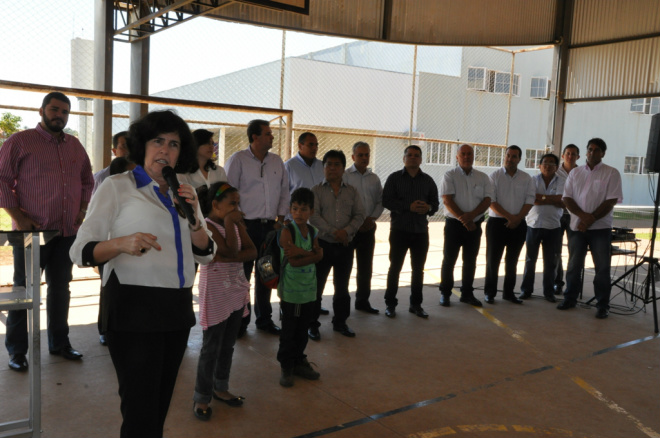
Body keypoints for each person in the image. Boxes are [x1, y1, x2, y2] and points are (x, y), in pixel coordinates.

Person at [69, 110, 215, 438]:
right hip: (133, 308)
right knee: (139, 408)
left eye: (174, 144)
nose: (165, 150)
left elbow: (206, 254)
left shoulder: (186, 191)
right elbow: (79, 251)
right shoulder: (117, 187)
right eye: (157, 141)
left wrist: (193, 218)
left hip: (176, 310)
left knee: (159, 405)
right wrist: (121, 243)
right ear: (142, 146)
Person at [0, 91, 94, 372]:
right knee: (24, 291)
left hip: (67, 232)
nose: (60, 116)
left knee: (60, 288)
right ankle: (17, 350)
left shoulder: (75, 145)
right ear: (41, 111)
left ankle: (59, 343)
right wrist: (17, 216)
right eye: (54, 110)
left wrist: (83, 209)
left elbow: (87, 180)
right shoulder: (20, 141)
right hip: (33, 233)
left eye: (65, 112)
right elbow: (2, 179)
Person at [192, 182, 256, 421]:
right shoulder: (207, 226)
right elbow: (227, 251)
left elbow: (252, 252)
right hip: (216, 292)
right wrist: (231, 223)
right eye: (232, 203)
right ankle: (201, 397)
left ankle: (220, 386)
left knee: (228, 344)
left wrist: (230, 254)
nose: (237, 208)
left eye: (237, 203)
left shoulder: (236, 224)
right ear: (216, 205)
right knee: (211, 347)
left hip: (236, 289)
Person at [225, 119, 290, 337]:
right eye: (268, 133)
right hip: (246, 228)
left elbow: (284, 191)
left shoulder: (277, 161)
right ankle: (240, 323)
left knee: (266, 274)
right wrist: (238, 222)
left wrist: (280, 220)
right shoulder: (238, 160)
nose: (272, 137)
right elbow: (229, 193)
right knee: (241, 277)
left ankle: (264, 320)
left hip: (270, 230)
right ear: (254, 137)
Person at [558, 138, 622, 319]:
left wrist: (590, 219)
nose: (592, 153)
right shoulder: (575, 173)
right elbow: (567, 198)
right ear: (586, 152)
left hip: (600, 229)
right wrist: (583, 217)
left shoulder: (611, 173)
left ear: (603, 153)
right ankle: (570, 298)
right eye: (590, 149)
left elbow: (610, 201)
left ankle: (602, 305)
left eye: (597, 150)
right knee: (573, 266)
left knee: (602, 268)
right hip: (577, 228)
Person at [309, 150, 365, 340]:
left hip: (345, 246)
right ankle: (312, 325)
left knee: (342, 287)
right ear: (323, 167)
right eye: (328, 164)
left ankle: (340, 322)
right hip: (322, 246)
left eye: (336, 165)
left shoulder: (352, 191)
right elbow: (313, 216)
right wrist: (335, 232)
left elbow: (359, 215)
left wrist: (347, 231)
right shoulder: (315, 191)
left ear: (343, 169)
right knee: (317, 287)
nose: (332, 168)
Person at [382, 145, 439, 318]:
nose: (413, 158)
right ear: (404, 158)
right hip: (399, 230)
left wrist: (428, 207)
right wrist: (408, 207)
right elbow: (386, 201)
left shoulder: (428, 181)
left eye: (416, 155)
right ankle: (390, 304)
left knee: (418, 270)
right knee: (395, 268)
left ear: (421, 159)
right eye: (409, 155)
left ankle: (416, 304)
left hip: (420, 232)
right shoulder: (394, 178)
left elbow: (435, 205)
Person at [277, 188, 323, 387]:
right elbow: (293, 262)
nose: (299, 214)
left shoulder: (313, 232)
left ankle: (298, 360)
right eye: (295, 209)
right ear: (290, 210)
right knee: (289, 330)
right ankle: (286, 365)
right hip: (292, 292)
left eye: (303, 210)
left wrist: (301, 252)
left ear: (311, 211)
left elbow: (320, 256)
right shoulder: (287, 231)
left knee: (303, 329)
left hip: (308, 290)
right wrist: (311, 255)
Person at [438, 144, 493, 308]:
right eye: (463, 154)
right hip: (454, 225)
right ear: (457, 156)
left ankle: (467, 294)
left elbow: (487, 200)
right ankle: (445, 294)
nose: (467, 157)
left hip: (474, 225)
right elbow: (447, 200)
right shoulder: (450, 175)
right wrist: (465, 220)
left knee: (470, 260)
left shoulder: (483, 177)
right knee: (449, 260)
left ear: (473, 156)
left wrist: (471, 218)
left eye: (469, 154)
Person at [283, 131, 330, 316]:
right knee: (298, 264)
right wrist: (287, 219)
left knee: (317, 271)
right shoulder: (289, 166)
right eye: (310, 144)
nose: (314, 148)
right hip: (297, 226)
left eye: (316, 144)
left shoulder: (322, 166)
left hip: (318, 226)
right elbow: (285, 194)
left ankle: (314, 303)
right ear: (300, 146)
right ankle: (293, 302)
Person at [484, 145, 535, 305]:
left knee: (512, 261)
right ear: (504, 156)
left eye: (514, 156)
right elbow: (491, 201)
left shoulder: (527, 178)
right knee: (493, 260)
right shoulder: (494, 176)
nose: (510, 159)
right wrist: (510, 217)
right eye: (508, 155)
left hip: (519, 224)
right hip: (497, 224)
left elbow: (529, 200)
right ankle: (490, 293)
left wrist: (517, 218)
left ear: (519, 159)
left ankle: (508, 293)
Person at [343, 141, 383, 314]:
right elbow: (342, 203)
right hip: (350, 230)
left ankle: (363, 301)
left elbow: (380, 201)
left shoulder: (374, 178)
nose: (364, 158)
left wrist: (372, 218)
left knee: (366, 267)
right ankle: (343, 304)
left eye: (367, 154)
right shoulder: (345, 176)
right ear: (353, 157)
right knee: (345, 267)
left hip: (368, 228)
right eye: (360, 155)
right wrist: (354, 223)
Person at [519, 153, 565, 303]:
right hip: (534, 225)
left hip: (553, 227)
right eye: (545, 162)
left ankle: (549, 292)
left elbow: (561, 201)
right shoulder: (532, 180)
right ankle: (526, 290)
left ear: (556, 167)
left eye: (552, 163)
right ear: (539, 165)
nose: (548, 165)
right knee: (530, 260)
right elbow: (531, 199)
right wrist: (551, 199)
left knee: (551, 262)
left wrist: (542, 198)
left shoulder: (562, 181)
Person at [554, 144, 580, 295]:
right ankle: (558, 282)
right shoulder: (555, 172)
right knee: (556, 251)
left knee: (574, 250)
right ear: (563, 156)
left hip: (574, 215)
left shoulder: (582, 173)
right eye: (568, 153)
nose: (570, 156)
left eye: (573, 154)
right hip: (557, 214)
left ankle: (572, 284)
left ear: (578, 157)